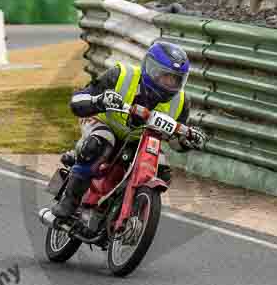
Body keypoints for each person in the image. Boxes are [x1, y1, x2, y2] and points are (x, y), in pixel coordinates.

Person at [52, 41, 205, 220]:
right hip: (105, 124)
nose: (169, 83)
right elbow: (79, 99)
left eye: (175, 79)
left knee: (161, 167)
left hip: (140, 140)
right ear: (151, 68)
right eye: (165, 76)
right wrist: (100, 101)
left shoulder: (181, 102)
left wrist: (186, 141)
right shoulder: (122, 75)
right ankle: (70, 200)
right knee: (99, 143)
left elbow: (173, 140)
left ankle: (128, 205)